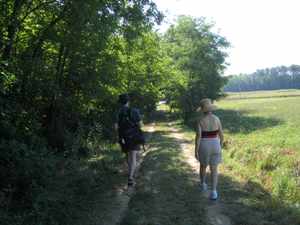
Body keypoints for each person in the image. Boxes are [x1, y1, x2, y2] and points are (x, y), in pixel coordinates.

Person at [195, 98, 224, 200]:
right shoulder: (217, 119)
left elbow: (198, 137)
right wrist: (220, 145)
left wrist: (196, 150)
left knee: (203, 166)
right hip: (216, 144)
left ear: (203, 110)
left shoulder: (200, 120)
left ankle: (203, 184)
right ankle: (214, 192)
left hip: (204, 145)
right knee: (214, 169)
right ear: (211, 109)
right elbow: (222, 135)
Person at [114, 94, 143, 187]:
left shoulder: (118, 112)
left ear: (120, 102)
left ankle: (130, 172)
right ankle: (130, 177)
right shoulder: (134, 111)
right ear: (128, 101)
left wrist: (118, 136)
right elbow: (140, 125)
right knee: (133, 156)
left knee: (128, 155)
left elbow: (115, 127)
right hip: (134, 136)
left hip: (123, 137)